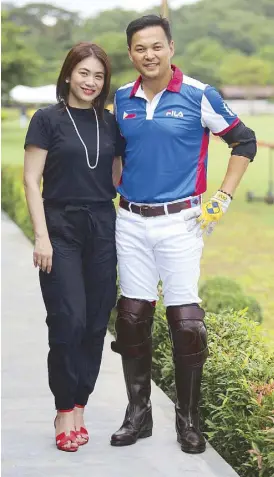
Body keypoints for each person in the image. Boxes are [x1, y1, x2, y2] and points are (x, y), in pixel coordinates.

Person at [110, 15, 257, 454]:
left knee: (186, 322)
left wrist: (223, 198)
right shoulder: (122, 97)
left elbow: (244, 142)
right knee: (132, 315)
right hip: (131, 221)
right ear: (131, 53)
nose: (148, 55)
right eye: (139, 48)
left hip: (182, 222)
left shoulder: (198, 94)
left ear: (170, 47)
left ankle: (189, 421)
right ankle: (139, 415)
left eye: (156, 46)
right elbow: (118, 151)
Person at [23, 42, 124, 452]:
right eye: (84, 73)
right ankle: (64, 410)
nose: (91, 82)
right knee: (69, 321)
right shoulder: (46, 119)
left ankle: (80, 404)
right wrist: (41, 235)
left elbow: (116, 176)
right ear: (68, 74)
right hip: (60, 226)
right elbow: (31, 180)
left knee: (97, 323)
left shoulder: (111, 123)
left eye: (98, 76)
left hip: (102, 225)